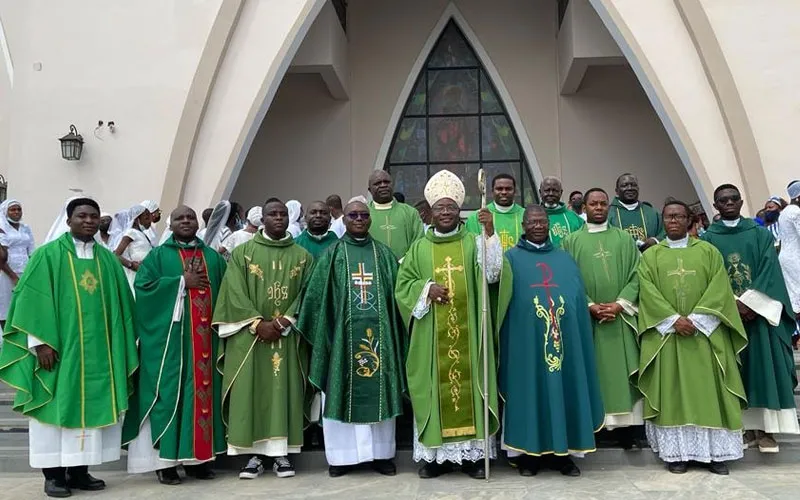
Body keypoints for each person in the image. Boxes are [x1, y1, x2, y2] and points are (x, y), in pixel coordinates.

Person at [0, 197, 138, 498]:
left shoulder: (107, 260)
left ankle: (79, 471)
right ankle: (53, 475)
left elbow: (122, 308)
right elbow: (30, 301)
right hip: (60, 352)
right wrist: (39, 344)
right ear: (68, 219)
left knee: (92, 410)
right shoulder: (47, 256)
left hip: (99, 354)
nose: (88, 221)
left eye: (93, 216)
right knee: (54, 407)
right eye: (82, 216)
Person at [395, 169, 510, 480]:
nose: (445, 213)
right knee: (433, 390)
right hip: (432, 337)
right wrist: (425, 289)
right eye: (439, 208)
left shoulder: (473, 242)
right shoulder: (419, 247)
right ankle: (434, 458)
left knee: (472, 389)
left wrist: (489, 235)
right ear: (430, 212)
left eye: (451, 207)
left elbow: (493, 274)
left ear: (460, 211)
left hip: (470, 334)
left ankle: (474, 458)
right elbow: (402, 286)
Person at [297, 200, 407, 477]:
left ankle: (381, 455)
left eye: (364, 215)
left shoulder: (383, 255)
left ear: (370, 220)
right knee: (339, 389)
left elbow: (399, 301)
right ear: (344, 220)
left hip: (382, 344)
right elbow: (314, 302)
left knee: (380, 389)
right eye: (353, 215)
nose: (359, 219)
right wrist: (326, 338)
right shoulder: (331, 255)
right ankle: (341, 458)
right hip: (340, 345)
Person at [638, 200, 746, 475]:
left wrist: (697, 319)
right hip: (669, 337)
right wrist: (674, 320)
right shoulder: (651, 255)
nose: (673, 221)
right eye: (668, 217)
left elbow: (719, 288)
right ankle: (678, 455)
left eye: (679, 216)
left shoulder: (708, 251)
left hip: (704, 335)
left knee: (710, 392)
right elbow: (647, 290)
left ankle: (714, 455)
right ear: (662, 221)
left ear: (690, 221)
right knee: (673, 393)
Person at [123, 206, 228, 484]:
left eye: (190, 217)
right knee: (169, 396)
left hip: (205, 343)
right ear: (170, 223)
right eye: (179, 218)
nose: (185, 221)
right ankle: (165, 462)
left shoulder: (213, 258)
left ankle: (197, 460)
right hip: (170, 345)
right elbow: (144, 291)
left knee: (201, 399)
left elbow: (228, 294)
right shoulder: (158, 256)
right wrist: (181, 283)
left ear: (197, 223)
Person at [213, 198, 312, 480]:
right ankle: (253, 456)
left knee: (284, 390)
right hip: (250, 336)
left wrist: (286, 319)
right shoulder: (243, 253)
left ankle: (281, 454)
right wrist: (257, 323)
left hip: (287, 334)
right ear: (262, 219)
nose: (279, 218)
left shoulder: (303, 256)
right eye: (273, 214)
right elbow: (233, 292)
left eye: (283, 214)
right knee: (251, 391)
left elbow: (308, 294)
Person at [501, 205, 604, 477]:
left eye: (542, 222)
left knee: (564, 389)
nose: (538, 226)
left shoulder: (564, 258)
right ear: (523, 225)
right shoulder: (510, 259)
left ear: (548, 224)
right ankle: (529, 456)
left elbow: (575, 297)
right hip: (526, 344)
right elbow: (503, 302)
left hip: (564, 340)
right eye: (532, 222)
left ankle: (564, 456)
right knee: (530, 392)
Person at [701, 185, 800, 452]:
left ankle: (766, 431)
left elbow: (770, 269)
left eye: (734, 198)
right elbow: (709, 276)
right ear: (715, 206)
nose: (729, 203)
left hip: (759, 315)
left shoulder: (759, 234)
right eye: (723, 200)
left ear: (742, 201)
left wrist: (751, 304)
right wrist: (732, 304)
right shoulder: (707, 240)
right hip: (728, 317)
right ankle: (742, 429)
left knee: (762, 369)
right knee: (736, 371)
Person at [561, 188, 643, 448]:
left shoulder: (624, 239)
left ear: (609, 207)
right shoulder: (571, 241)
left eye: (603, 203)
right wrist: (588, 305)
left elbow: (637, 273)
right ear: (584, 207)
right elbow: (566, 278)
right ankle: (594, 427)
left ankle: (626, 431)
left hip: (619, 318)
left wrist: (619, 304)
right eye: (593, 204)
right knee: (592, 372)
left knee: (620, 373)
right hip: (588, 320)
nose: (598, 208)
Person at [367, 170, 425, 260]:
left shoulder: (410, 212)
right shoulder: (364, 214)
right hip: (374, 268)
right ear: (370, 190)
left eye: (387, 182)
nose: (383, 185)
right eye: (378, 183)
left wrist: (404, 261)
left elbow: (419, 242)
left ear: (392, 185)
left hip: (405, 269)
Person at [465, 173, 525, 252]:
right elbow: (471, 249)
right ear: (492, 191)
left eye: (508, 189)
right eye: (499, 189)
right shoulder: (477, 217)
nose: (504, 192)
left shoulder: (526, 215)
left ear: (515, 191)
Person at [0, 199, 35, 329]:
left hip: (25, 269)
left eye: (19, 209)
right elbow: (1, 258)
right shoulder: (2, 228)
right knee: (5, 305)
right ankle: (6, 335)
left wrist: (32, 271)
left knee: (22, 304)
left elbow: (31, 251)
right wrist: (13, 277)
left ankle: (19, 337)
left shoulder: (26, 228)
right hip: (6, 272)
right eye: (12, 209)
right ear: (5, 212)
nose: (16, 212)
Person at [608, 174, 665, 251]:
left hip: (649, 258)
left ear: (638, 188)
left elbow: (664, 232)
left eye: (633, 185)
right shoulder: (608, 213)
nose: (630, 188)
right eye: (624, 185)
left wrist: (655, 240)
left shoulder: (651, 212)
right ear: (617, 191)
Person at [113, 204, 154, 292]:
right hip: (135, 273)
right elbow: (116, 254)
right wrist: (131, 265)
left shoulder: (143, 234)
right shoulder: (131, 233)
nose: (150, 221)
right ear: (136, 220)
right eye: (146, 218)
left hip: (145, 272)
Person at [539, 176, 584, 247]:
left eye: (555, 190)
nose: (551, 194)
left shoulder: (575, 218)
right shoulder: (534, 217)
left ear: (561, 192)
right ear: (540, 192)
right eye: (547, 190)